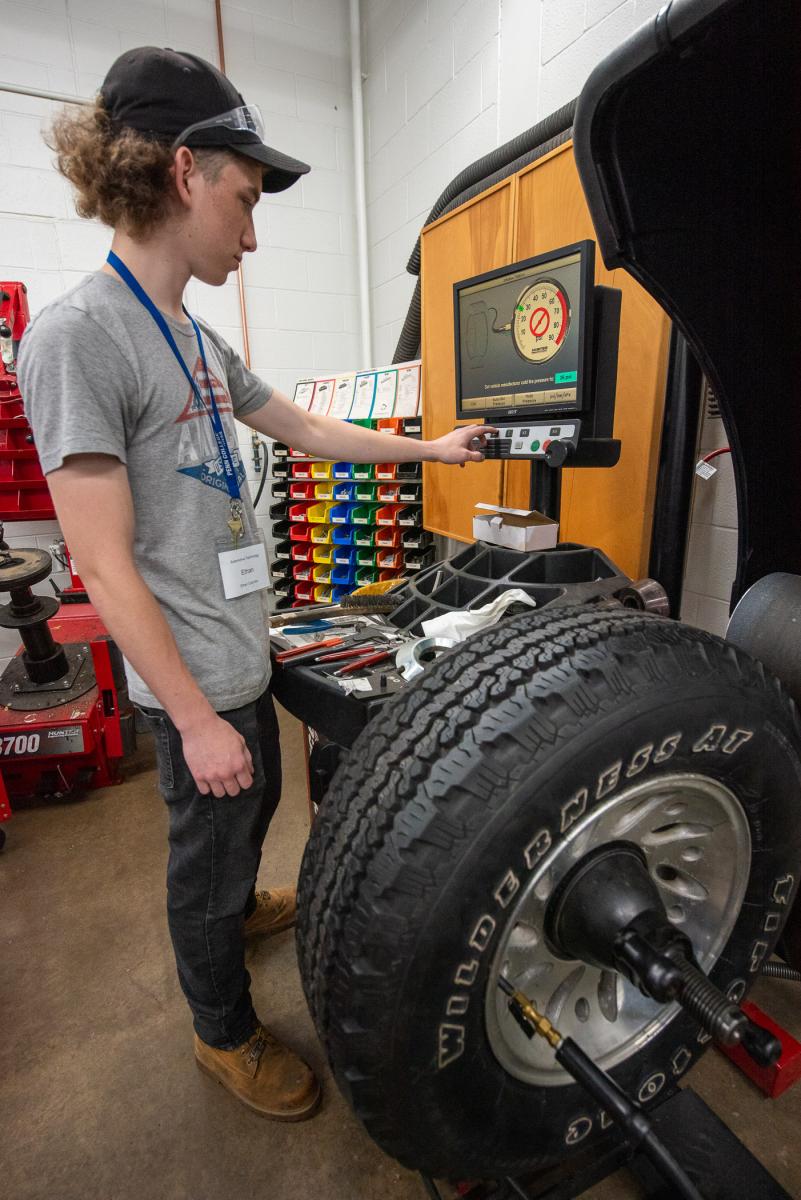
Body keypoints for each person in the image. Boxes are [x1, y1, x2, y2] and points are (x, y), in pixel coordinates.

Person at [17, 46, 490, 1123]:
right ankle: (220, 1031)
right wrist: (192, 719)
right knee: (207, 858)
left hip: (242, 653)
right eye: (244, 195)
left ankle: (237, 910)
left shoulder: (189, 333)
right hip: (191, 683)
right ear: (185, 172)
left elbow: (307, 427)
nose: (254, 228)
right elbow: (98, 562)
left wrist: (436, 453)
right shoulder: (78, 340)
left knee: (254, 816)